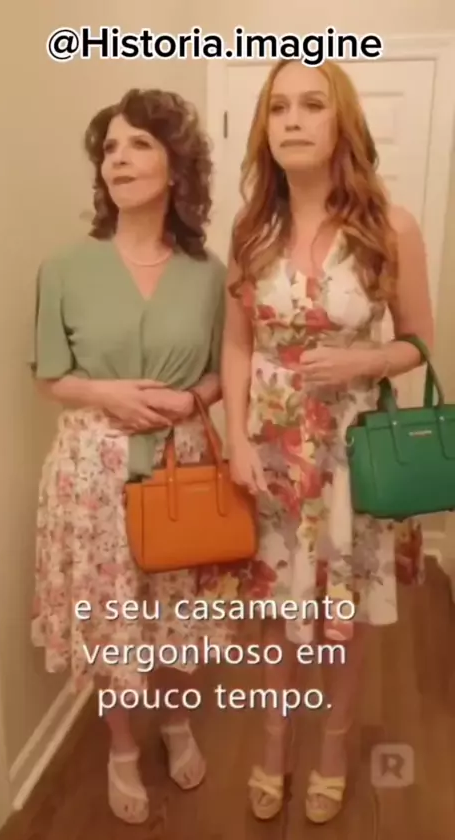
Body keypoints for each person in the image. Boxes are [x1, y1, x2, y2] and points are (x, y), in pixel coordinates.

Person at [221, 58, 433, 824]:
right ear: (264, 129)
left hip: (351, 455)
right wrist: (235, 440)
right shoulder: (251, 230)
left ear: (341, 120)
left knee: (343, 614)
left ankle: (335, 749)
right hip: (272, 453)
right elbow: (237, 344)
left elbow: (419, 342)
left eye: (312, 104)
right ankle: (275, 745)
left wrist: (365, 360)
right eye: (278, 108)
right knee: (275, 613)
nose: (293, 120)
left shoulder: (389, 227)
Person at [29, 88, 239, 825]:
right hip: (93, 472)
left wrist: (193, 400)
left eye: (139, 145)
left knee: (180, 608)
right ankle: (122, 745)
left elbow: (222, 371)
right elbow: (49, 376)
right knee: (112, 614)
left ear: (177, 167)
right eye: (109, 148)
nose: (118, 159)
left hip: (184, 465)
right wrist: (107, 392)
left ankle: (175, 720)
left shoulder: (210, 274)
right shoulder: (64, 268)